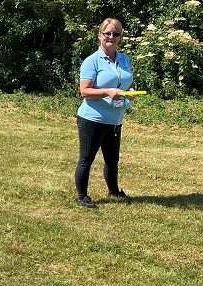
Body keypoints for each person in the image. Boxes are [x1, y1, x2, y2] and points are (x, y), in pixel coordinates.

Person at [74, 18, 136, 209]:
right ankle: (82, 196)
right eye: (107, 33)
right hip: (92, 118)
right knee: (86, 159)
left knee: (112, 159)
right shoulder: (91, 61)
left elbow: (122, 83)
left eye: (115, 34)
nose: (111, 37)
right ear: (100, 35)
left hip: (115, 118)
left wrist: (128, 93)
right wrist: (107, 92)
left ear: (120, 36)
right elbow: (84, 91)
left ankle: (114, 191)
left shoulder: (124, 59)